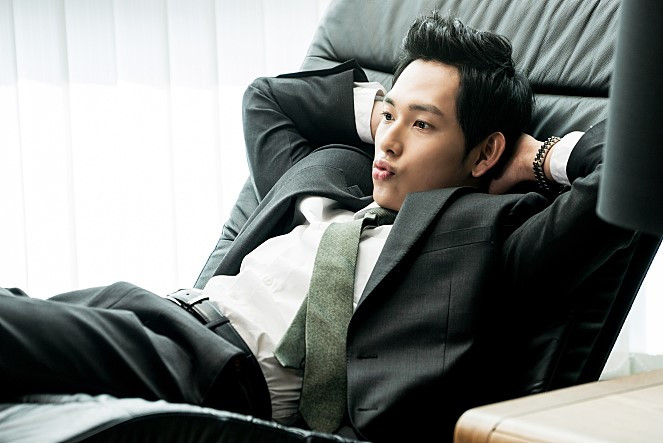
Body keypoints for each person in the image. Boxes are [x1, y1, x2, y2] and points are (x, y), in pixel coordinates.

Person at [0, 11, 633, 442]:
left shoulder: (493, 239)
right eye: (387, 117)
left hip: (216, 367)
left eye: (422, 125)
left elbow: (634, 163)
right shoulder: (329, 180)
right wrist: (393, 111)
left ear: (484, 151)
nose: (388, 141)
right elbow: (269, 98)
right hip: (147, 309)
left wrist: (536, 156)